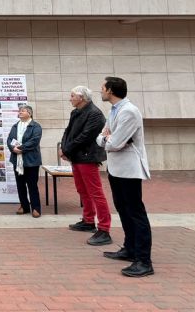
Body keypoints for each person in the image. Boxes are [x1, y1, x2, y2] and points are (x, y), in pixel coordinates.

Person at [97, 77, 153, 277]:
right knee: (123, 209)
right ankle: (130, 249)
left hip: (129, 170)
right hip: (116, 169)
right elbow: (102, 137)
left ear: (111, 90)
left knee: (135, 212)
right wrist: (107, 137)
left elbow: (115, 143)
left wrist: (107, 138)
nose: (101, 91)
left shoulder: (129, 111)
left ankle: (144, 260)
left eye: (103, 88)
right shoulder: (113, 111)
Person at [61, 86, 112, 246]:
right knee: (82, 190)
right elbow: (68, 132)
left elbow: (85, 137)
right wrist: (64, 148)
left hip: (87, 157)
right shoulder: (75, 112)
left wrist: (67, 149)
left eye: (72, 96)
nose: (70, 98)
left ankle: (104, 228)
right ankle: (88, 220)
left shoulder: (95, 114)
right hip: (76, 156)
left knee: (95, 192)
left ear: (81, 98)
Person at [7, 105, 43, 218]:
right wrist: (13, 149)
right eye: (20, 111)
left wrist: (21, 149)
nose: (20, 112)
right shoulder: (15, 125)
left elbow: (34, 141)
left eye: (23, 111)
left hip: (31, 161)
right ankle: (24, 206)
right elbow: (9, 139)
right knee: (20, 185)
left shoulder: (35, 126)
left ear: (30, 113)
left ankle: (36, 208)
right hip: (17, 160)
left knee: (32, 185)